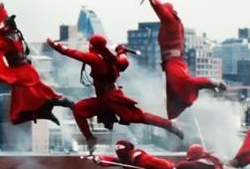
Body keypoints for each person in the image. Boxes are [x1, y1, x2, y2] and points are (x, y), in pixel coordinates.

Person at [47, 35, 183, 152]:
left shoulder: (96, 59)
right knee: (78, 110)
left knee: (137, 117)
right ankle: (90, 139)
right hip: (104, 97)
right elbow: (123, 61)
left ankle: (169, 124)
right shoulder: (111, 58)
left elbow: (70, 52)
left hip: (111, 98)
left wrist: (53, 43)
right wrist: (121, 51)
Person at [0, 3, 73, 125]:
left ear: (7, 27)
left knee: (18, 114)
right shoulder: (17, 36)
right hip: (29, 71)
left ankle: (49, 109)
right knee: (41, 95)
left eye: (2, 25)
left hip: (20, 75)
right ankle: (61, 104)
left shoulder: (7, 41)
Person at [142, 0, 226, 119]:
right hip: (170, 62)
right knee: (173, 96)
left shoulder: (171, 23)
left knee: (183, 83)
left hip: (173, 61)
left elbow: (162, 11)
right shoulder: (170, 25)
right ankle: (172, 121)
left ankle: (210, 82)